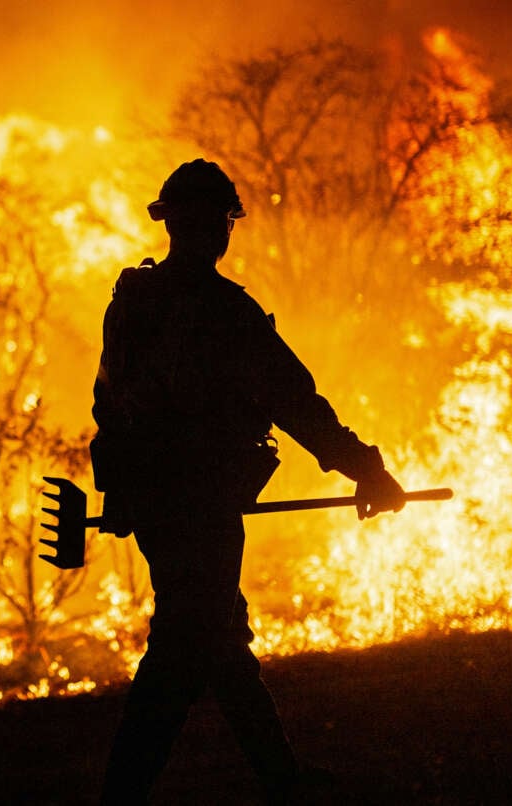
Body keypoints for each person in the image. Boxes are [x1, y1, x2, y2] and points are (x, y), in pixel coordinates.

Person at [91, 159, 407, 804]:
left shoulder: (134, 302)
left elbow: (109, 404)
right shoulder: (223, 313)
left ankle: (280, 779)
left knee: (215, 636)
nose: (217, 231)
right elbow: (297, 405)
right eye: (215, 220)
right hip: (201, 505)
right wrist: (366, 468)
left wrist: (127, 492)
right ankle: (127, 794)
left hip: (160, 505)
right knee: (186, 644)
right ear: (211, 228)